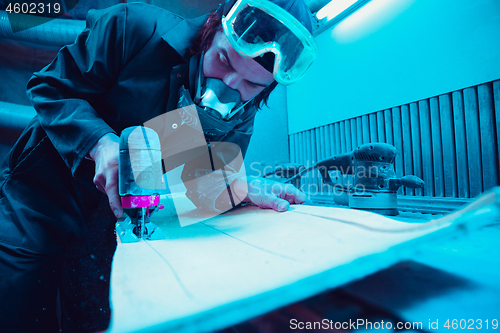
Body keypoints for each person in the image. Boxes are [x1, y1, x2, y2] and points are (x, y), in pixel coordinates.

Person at [0, 0, 317, 331]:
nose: (227, 88)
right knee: (20, 307)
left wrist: (235, 190)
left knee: (101, 314)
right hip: (40, 201)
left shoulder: (241, 114)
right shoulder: (133, 27)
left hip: (113, 226)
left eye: (251, 85)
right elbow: (50, 87)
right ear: (212, 26)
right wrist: (102, 144)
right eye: (223, 60)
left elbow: (194, 185)